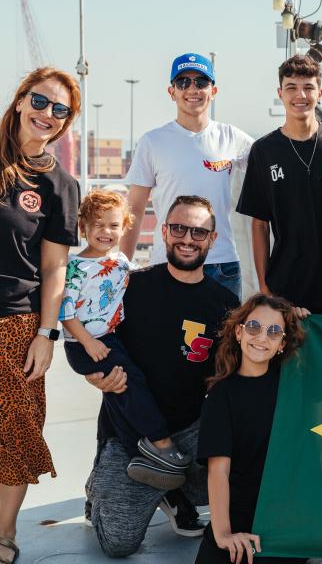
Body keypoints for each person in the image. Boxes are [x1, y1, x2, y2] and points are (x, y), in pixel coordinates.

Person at [85, 195, 239, 557]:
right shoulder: (128, 287)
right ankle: (104, 484)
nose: (188, 239)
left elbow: (233, 378)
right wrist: (95, 374)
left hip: (187, 430)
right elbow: (89, 336)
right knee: (118, 543)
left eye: (199, 232)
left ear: (212, 239)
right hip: (129, 434)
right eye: (179, 229)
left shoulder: (224, 305)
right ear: (165, 233)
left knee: (246, 463)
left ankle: (172, 489)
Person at [0, 67, 80, 564]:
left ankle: (4, 533)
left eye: (60, 109)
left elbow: (54, 269)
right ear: (20, 99)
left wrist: (46, 334)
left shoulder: (59, 184)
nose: (47, 114)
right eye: (40, 101)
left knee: (16, 433)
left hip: (17, 324)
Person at [60, 189, 192, 490]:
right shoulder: (75, 267)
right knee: (130, 383)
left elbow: (140, 276)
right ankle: (161, 441)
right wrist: (88, 343)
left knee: (121, 395)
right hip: (84, 345)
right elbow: (65, 310)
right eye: (97, 224)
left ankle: (138, 454)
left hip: (108, 339)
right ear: (83, 227)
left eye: (113, 225)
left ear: (125, 227)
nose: (106, 231)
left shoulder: (119, 261)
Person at [120, 53, 253, 298]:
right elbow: (134, 210)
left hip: (221, 265)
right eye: (183, 82)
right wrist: (123, 265)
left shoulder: (232, 138)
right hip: (168, 263)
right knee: (164, 337)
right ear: (172, 92)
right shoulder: (152, 142)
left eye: (201, 82)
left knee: (222, 338)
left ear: (213, 90)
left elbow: (275, 155)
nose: (192, 89)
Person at [194, 293, 307, 564]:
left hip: (284, 523)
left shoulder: (293, 387)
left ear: (282, 344)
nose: (262, 338)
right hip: (238, 519)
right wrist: (223, 533)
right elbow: (218, 471)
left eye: (274, 331)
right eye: (254, 327)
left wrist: (308, 322)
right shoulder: (222, 395)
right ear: (239, 332)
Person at [237, 55, 322, 315]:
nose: (301, 95)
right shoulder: (264, 150)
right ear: (280, 93)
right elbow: (259, 224)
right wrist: (265, 287)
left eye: (308, 87)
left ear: (319, 92)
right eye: (291, 87)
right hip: (287, 285)